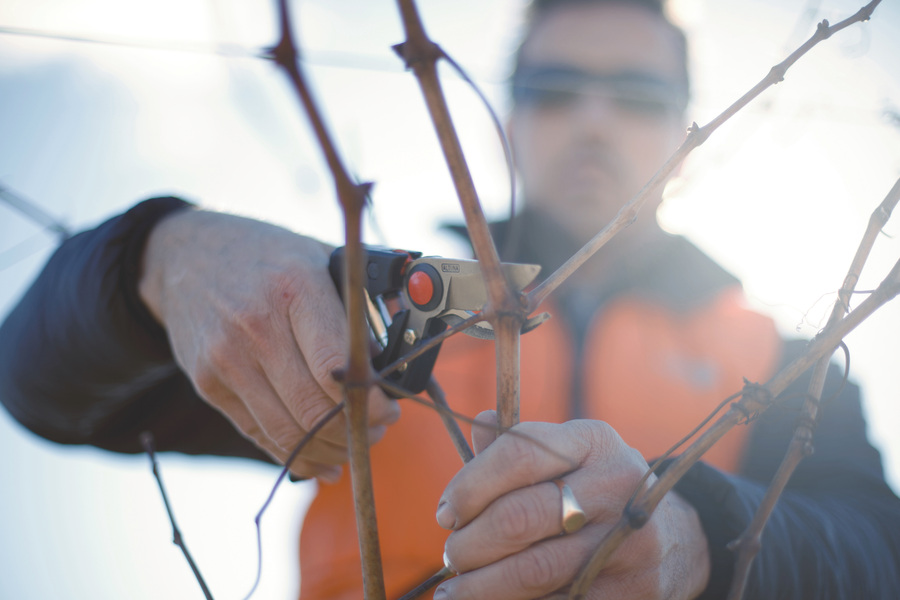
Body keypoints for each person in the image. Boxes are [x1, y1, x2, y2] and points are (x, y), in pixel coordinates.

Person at [1, 0, 898, 599]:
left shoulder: (781, 363)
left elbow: (877, 552)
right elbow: (43, 390)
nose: (593, 119)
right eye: (555, 91)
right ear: (510, 118)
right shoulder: (380, 321)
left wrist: (696, 533)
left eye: (636, 95)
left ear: (684, 128)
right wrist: (155, 260)